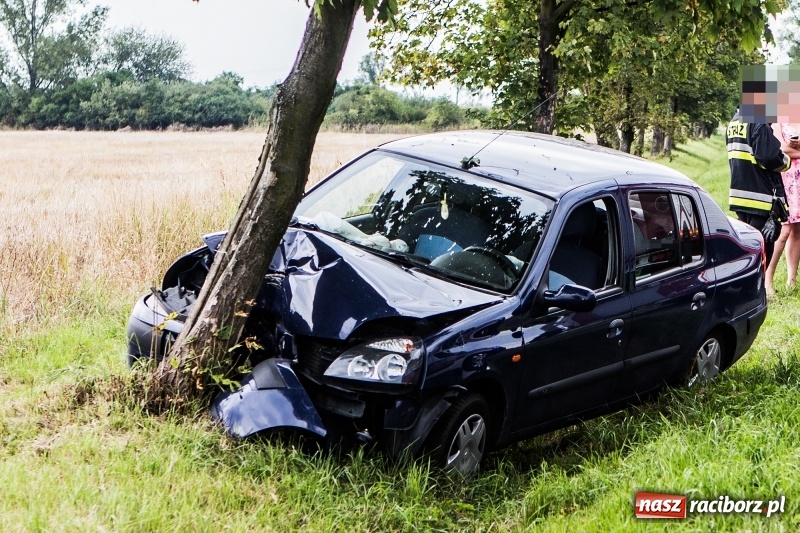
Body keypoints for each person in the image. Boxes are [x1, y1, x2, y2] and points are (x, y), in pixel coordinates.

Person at [726, 110, 791, 270]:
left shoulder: (735, 120)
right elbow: (769, 157)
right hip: (760, 198)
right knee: (761, 252)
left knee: (747, 249)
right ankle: (755, 291)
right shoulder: (758, 121)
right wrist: (786, 161)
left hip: (740, 195)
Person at [765, 123, 800, 293]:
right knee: (783, 230)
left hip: (799, 182)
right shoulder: (778, 122)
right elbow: (780, 149)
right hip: (785, 180)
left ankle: (791, 280)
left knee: (797, 230)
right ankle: (767, 280)